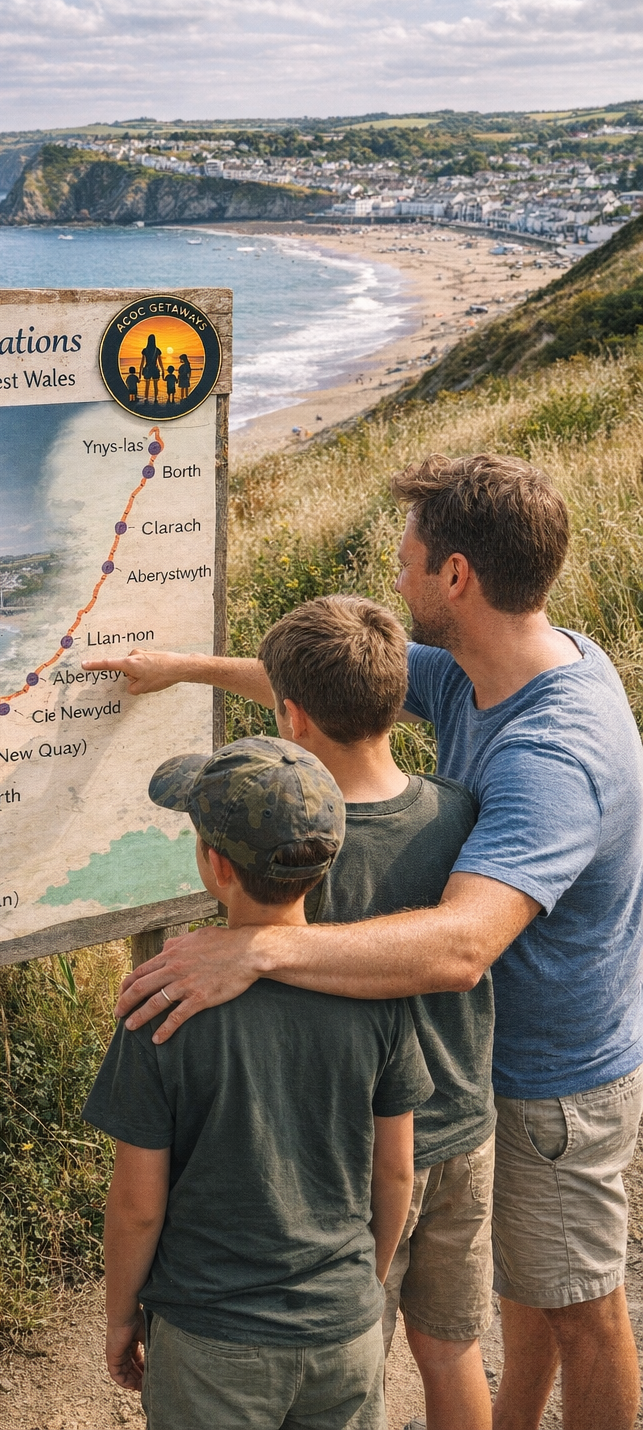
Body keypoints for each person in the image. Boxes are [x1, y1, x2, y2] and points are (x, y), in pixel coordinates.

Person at [86, 453, 643, 1430]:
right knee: (518, 1298)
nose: (395, 575)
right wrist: (181, 669)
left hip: (551, 1076)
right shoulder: (498, 665)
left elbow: (463, 944)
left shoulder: (553, 752)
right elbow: (335, 687)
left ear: (456, 577)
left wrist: (257, 949)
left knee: (582, 1307)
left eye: (408, 559)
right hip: (485, 1065)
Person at [84, 737, 432, 1430]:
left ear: (216, 865)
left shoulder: (163, 1005)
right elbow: (395, 1175)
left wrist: (122, 1316)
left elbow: (137, 1207)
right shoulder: (376, 993)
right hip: (345, 1332)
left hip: (215, 1342)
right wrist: (362, 1284)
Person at [258, 595, 493, 1430]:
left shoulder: (298, 855)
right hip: (466, 1125)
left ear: (292, 716)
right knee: (453, 1347)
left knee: (355, 1353)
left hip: (352, 1149)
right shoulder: (463, 812)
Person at [139, 334, 162, 404]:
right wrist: (163, 370)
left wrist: (139, 373)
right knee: (155, 385)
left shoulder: (145, 350)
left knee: (147, 385)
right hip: (155, 369)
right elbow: (160, 362)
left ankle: (146, 398)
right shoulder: (157, 350)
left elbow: (142, 362)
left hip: (147, 369)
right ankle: (155, 398)